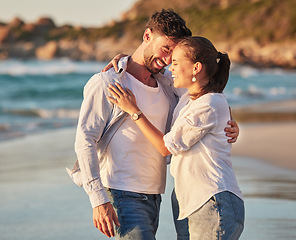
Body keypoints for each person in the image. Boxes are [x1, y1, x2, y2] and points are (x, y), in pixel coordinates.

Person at [67, 9, 239, 240]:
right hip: (121, 191)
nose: (168, 60)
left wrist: (229, 120)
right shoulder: (108, 82)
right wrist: (98, 199)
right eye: (166, 49)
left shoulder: (168, 86)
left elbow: (205, 94)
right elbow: (85, 139)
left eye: (173, 55)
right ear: (147, 36)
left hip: (155, 195)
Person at [107, 36, 244, 240]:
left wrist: (133, 111)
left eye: (177, 62)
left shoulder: (207, 104)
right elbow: (152, 70)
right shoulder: (190, 97)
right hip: (193, 203)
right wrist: (125, 61)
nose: (171, 67)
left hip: (211, 201)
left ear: (196, 68)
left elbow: (165, 147)